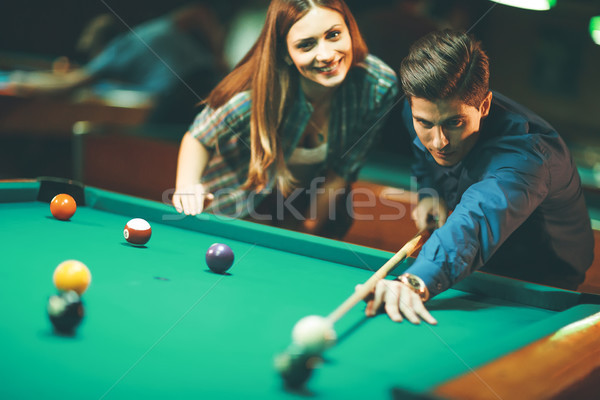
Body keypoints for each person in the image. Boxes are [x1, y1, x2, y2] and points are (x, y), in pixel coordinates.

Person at [364, 30, 594, 325]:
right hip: (470, 260)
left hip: (542, 278)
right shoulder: (419, 113)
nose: (439, 141)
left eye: (455, 123)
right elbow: (426, 155)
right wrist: (429, 192)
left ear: (483, 106)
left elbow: (476, 219)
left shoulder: (526, 157)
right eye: (425, 123)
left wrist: (414, 281)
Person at [172, 0, 398, 238]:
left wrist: (306, 234)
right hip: (240, 206)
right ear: (286, 54)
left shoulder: (378, 85)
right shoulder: (256, 93)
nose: (326, 55)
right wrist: (188, 185)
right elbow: (199, 136)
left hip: (309, 205)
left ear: (350, 31)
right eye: (306, 45)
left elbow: (342, 171)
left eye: (333, 35)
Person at [8, 3, 226, 124]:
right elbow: (199, 12)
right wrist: (218, 55)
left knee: (137, 140)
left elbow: (71, 84)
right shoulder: (148, 30)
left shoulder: (115, 51)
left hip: (186, 96)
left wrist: (24, 83)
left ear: (102, 47)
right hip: (218, 84)